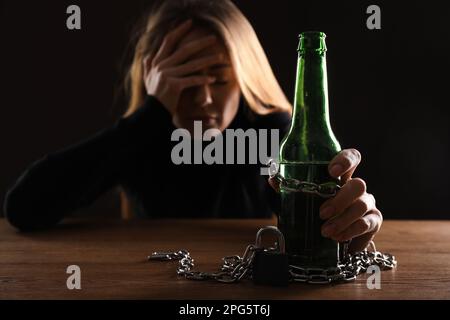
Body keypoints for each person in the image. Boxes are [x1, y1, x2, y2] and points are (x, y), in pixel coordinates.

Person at [3, 0, 381, 253]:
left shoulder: (273, 132)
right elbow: (24, 208)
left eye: (219, 79)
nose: (202, 100)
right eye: (183, 81)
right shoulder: (141, 134)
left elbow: (314, 226)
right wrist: (149, 115)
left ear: (245, 77)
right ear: (155, 82)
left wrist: (347, 221)